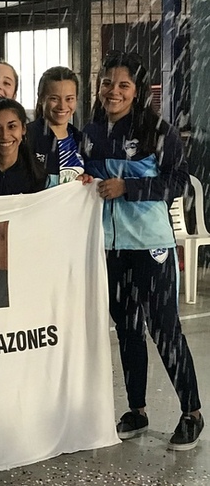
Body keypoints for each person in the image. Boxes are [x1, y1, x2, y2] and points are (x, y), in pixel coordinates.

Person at [82, 50, 203, 451]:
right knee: (128, 330)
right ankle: (137, 410)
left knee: (165, 329)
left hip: (151, 247)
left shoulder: (158, 130)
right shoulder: (92, 132)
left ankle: (192, 413)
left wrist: (129, 188)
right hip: (111, 248)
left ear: (137, 91)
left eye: (123, 85)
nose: (113, 91)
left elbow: (179, 182)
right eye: (107, 83)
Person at [28, 66, 84, 187]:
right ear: (41, 98)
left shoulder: (81, 139)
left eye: (69, 99)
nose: (62, 106)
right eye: (54, 99)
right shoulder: (26, 137)